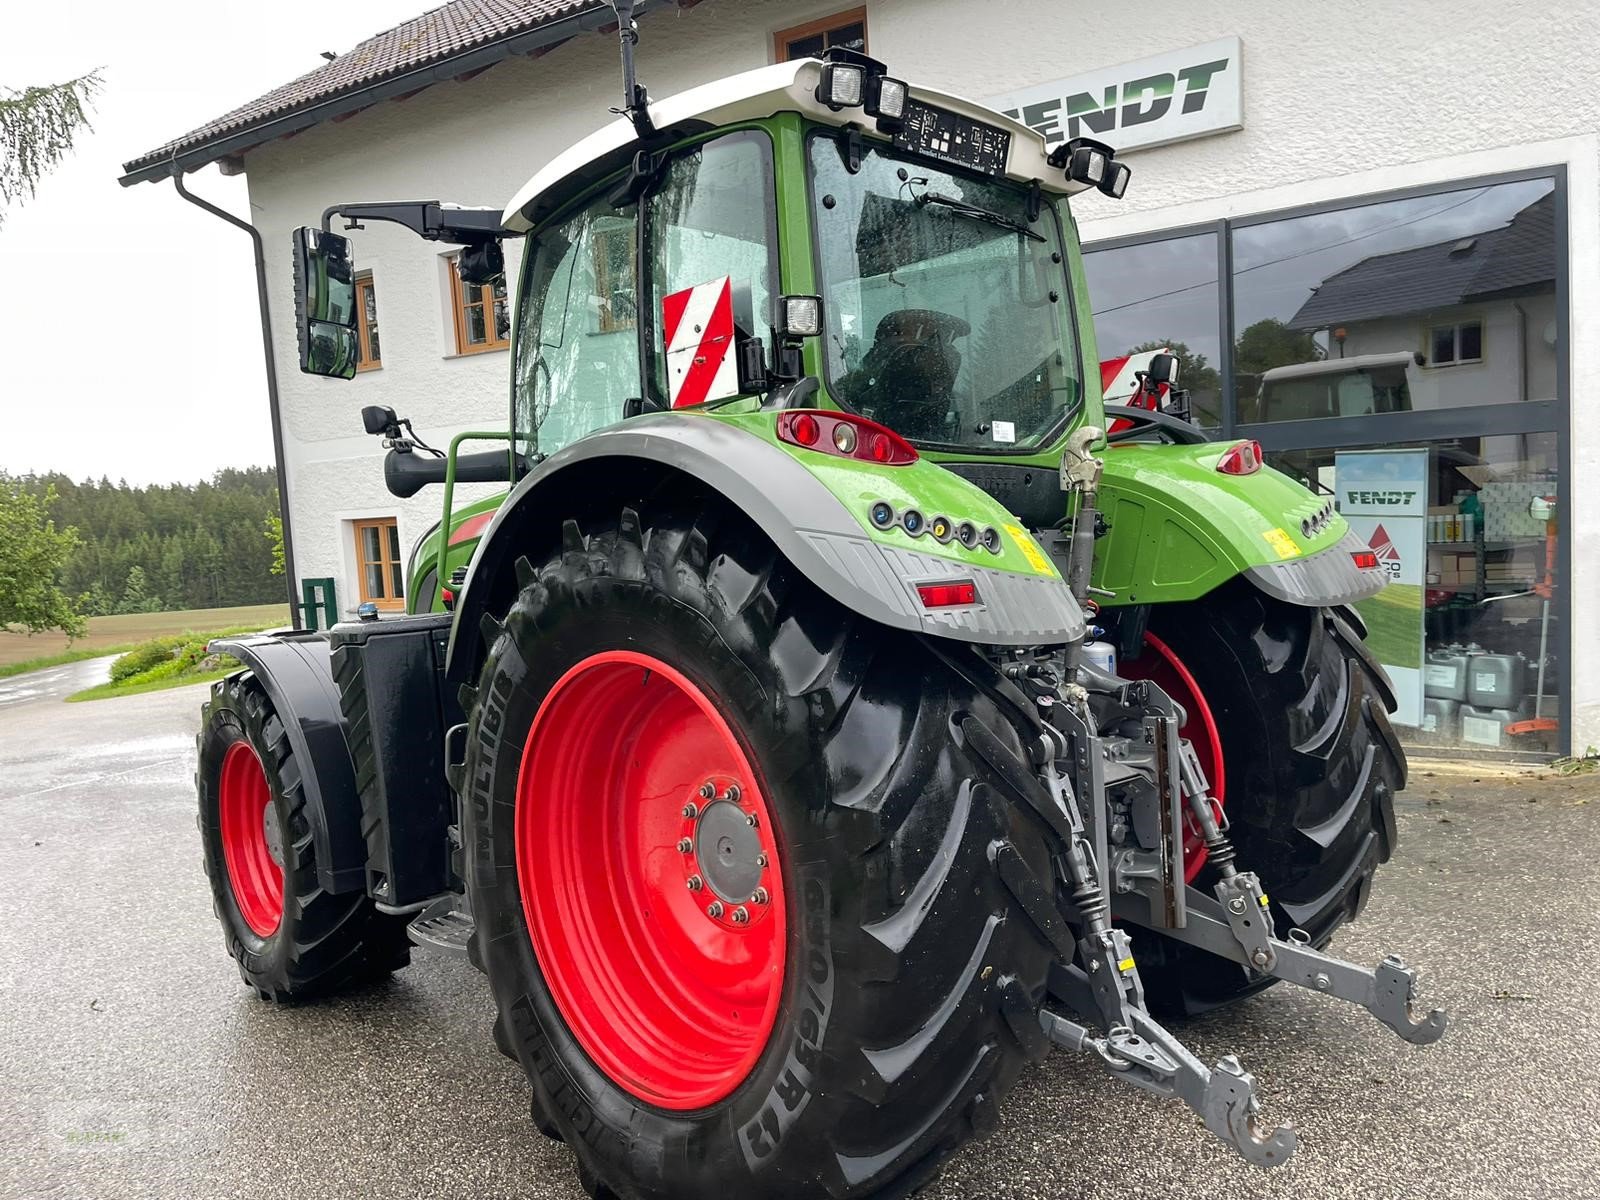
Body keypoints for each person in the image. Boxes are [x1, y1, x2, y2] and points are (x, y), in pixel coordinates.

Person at [837, 308, 969, 440]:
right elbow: (850, 394)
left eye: (941, 341)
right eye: (927, 337)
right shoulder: (884, 368)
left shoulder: (949, 393)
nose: (937, 348)